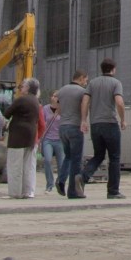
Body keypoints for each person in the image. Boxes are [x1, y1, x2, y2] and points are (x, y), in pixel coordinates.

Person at [78, 58, 126, 200]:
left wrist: (84, 120)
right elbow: (119, 102)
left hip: (95, 125)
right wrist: (123, 119)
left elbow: (85, 101)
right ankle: (113, 191)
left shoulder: (92, 83)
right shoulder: (116, 83)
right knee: (114, 158)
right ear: (113, 69)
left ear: (102, 69)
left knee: (98, 155)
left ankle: (83, 176)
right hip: (110, 123)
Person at [5, 77, 41, 199]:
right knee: (28, 166)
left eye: (23, 86)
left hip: (17, 136)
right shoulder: (36, 101)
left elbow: (7, 113)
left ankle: (15, 192)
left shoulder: (21, 100)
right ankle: (28, 191)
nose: (21, 88)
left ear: (28, 88)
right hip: (31, 135)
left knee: (15, 165)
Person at [57, 70, 88, 199]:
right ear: (81, 78)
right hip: (75, 126)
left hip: (62, 127)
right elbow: (84, 107)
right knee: (76, 159)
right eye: (85, 80)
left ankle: (61, 179)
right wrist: (84, 121)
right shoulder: (82, 92)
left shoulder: (62, 90)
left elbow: (58, 110)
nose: (86, 83)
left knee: (68, 156)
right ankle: (73, 191)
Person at [41, 90, 64, 193]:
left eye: (57, 96)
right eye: (54, 96)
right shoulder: (45, 109)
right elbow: (42, 123)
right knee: (47, 160)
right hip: (48, 138)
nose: (55, 98)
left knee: (61, 163)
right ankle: (49, 184)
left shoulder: (62, 109)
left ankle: (60, 182)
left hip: (59, 139)